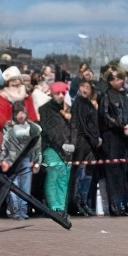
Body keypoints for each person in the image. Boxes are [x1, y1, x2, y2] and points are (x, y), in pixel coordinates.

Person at [98, 67, 128, 216]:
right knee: (112, 171)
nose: (118, 81)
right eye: (114, 79)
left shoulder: (127, 95)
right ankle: (115, 205)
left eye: (120, 78)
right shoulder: (106, 95)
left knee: (124, 172)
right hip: (111, 137)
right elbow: (105, 116)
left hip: (125, 138)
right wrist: (121, 127)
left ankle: (124, 204)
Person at [0, 102, 41, 221]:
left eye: (23, 112)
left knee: (25, 188)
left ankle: (23, 211)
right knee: (14, 188)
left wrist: (37, 161)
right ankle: (16, 211)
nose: (21, 115)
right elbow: (4, 145)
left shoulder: (31, 127)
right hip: (12, 162)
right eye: (18, 113)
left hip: (25, 160)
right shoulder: (8, 127)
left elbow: (36, 146)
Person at [37, 82, 74, 213]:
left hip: (67, 148)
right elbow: (50, 130)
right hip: (51, 147)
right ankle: (54, 206)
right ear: (52, 94)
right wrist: (62, 144)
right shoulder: (45, 109)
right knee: (54, 174)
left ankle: (62, 205)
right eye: (57, 93)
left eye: (63, 93)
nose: (61, 96)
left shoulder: (67, 110)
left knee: (64, 175)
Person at [71, 78, 102, 215]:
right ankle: (77, 203)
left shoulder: (90, 105)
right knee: (80, 173)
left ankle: (84, 201)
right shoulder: (78, 103)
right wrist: (94, 138)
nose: (84, 89)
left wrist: (95, 139)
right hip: (82, 143)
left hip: (91, 145)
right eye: (82, 86)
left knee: (88, 174)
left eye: (87, 87)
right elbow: (81, 125)